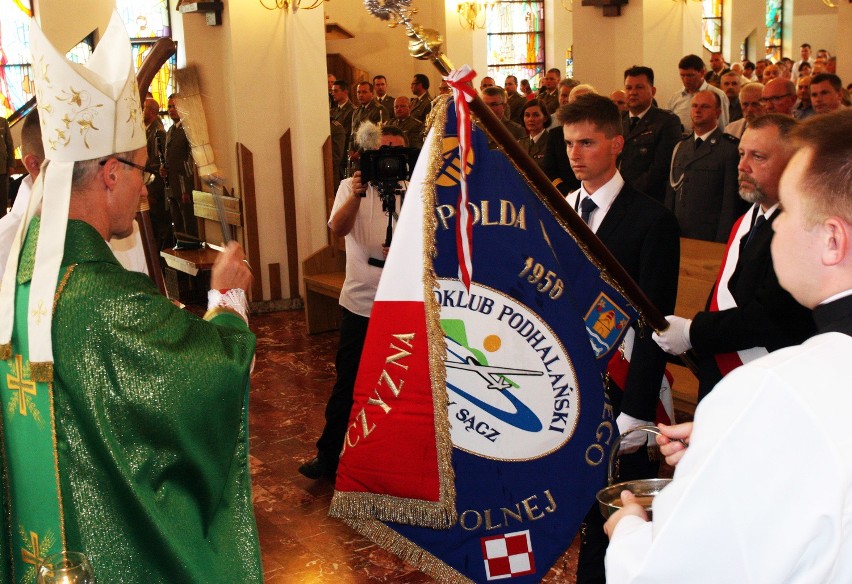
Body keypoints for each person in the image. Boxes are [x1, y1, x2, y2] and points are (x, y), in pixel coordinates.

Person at [0, 13, 260, 583]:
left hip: (44, 547)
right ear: (111, 172)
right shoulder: (103, 296)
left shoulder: (21, 272)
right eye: (141, 170)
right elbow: (208, 377)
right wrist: (228, 301)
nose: (147, 186)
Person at [604, 108, 852, 584]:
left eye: (792, 211)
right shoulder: (775, 402)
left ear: (832, 241)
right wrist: (732, 437)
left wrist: (632, 531)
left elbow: (673, 572)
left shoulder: (774, 390)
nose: (778, 225)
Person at [558, 93, 680, 584]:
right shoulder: (561, 207)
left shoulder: (651, 220)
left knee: (615, 510)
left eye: (587, 142)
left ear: (616, 144)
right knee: (579, 505)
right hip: (571, 380)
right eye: (569, 143)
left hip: (621, 381)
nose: (575, 154)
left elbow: (656, 325)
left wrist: (636, 407)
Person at [654, 114, 815, 400]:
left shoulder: (803, 227)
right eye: (741, 154)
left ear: (794, 162)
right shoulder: (748, 220)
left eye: (758, 156)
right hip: (725, 371)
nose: (742, 166)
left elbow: (771, 317)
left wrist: (693, 332)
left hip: (768, 383)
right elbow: (725, 296)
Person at [299, 125, 409, 480]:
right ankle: (329, 455)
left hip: (403, 301)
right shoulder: (352, 186)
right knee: (349, 382)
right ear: (371, 154)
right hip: (361, 299)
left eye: (398, 153)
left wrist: (406, 250)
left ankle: (395, 455)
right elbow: (338, 228)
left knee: (404, 384)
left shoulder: (416, 190)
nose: (391, 160)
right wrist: (358, 194)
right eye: (384, 152)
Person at [667, 91, 744, 243]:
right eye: (694, 106)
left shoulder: (728, 149)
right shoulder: (681, 146)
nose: (698, 110)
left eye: (705, 106)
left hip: (709, 233)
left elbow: (729, 204)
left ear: (718, 112)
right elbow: (671, 193)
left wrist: (722, 240)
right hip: (678, 230)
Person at [619, 65, 682, 202]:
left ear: (652, 91)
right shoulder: (619, 121)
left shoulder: (667, 122)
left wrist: (628, 192)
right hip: (618, 195)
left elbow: (661, 168)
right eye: (629, 88)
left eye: (639, 87)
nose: (633, 92)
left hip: (649, 198)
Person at [161, 93, 198, 237]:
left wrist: (187, 189)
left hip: (184, 187)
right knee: (177, 225)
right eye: (169, 106)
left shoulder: (189, 128)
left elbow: (191, 159)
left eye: (174, 106)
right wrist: (162, 168)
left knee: (189, 226)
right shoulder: (171, 130)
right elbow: (167, 156)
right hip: (172, 185)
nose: (171, 110)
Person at [667, 54, 729, 134]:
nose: (685, 79)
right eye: (682, 75)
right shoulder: (675, 98)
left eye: (690, 75)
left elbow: (722, 127)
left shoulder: (717, 95)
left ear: (702, 72)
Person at [517, 99, 550, 168]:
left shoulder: (552, 142)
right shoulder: (520, 143)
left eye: (536, 115)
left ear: (545, 118)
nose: (530, 119)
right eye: (527, 115)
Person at [0, 114, 14, 219]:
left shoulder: (3, 122)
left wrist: (11, 164)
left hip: (2, 167)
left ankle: (3, 222)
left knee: (2, 199)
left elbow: (9, 144)